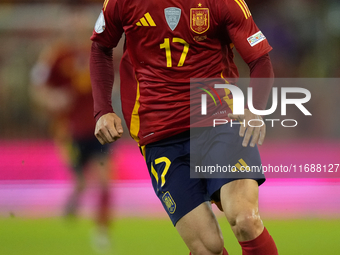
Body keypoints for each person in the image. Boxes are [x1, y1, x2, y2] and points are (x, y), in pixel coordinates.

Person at [90, 0, 279, 254]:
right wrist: (103, 110)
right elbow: (100, 47)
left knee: (245, 219)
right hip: (159, 135)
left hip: (219, 120)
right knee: (207, 248)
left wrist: (254, 108)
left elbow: (260, 59)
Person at [30, 39, 113, 252]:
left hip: (99, 128)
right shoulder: (56, 55)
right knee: (81, 183)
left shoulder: (98, 49)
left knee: (105, 182)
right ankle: (71, 206)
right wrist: (52, 98)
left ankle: (101, 233)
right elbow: (37, 88)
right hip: (71, 132)